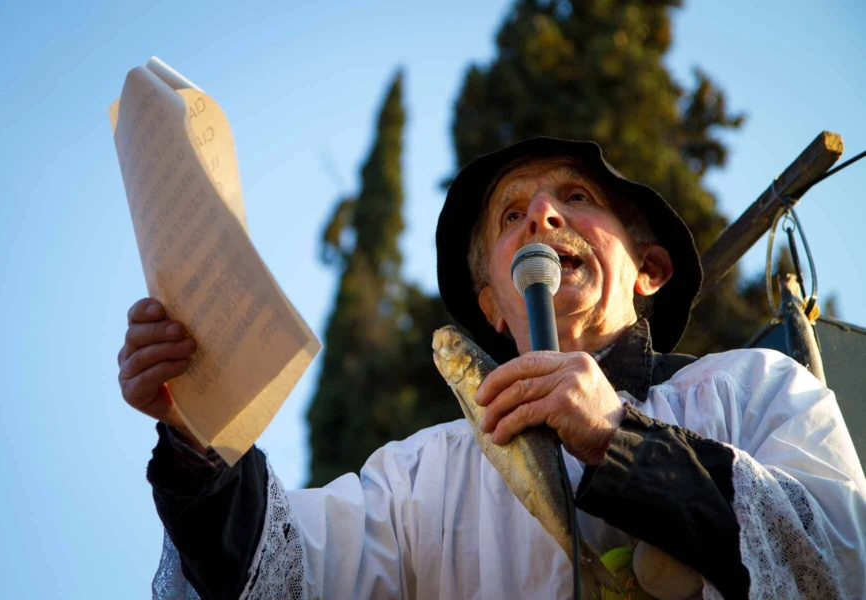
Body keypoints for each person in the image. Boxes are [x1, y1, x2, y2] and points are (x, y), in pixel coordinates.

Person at [118, 138, 866, 599]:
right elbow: (283, 578)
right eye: (510, 216)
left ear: (650, 268)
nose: (541, 216)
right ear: (494, 307)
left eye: (575, 197)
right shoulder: (421, 477)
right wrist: (199, 434)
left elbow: (843, 563)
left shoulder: (754, 390)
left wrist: (623, 443)